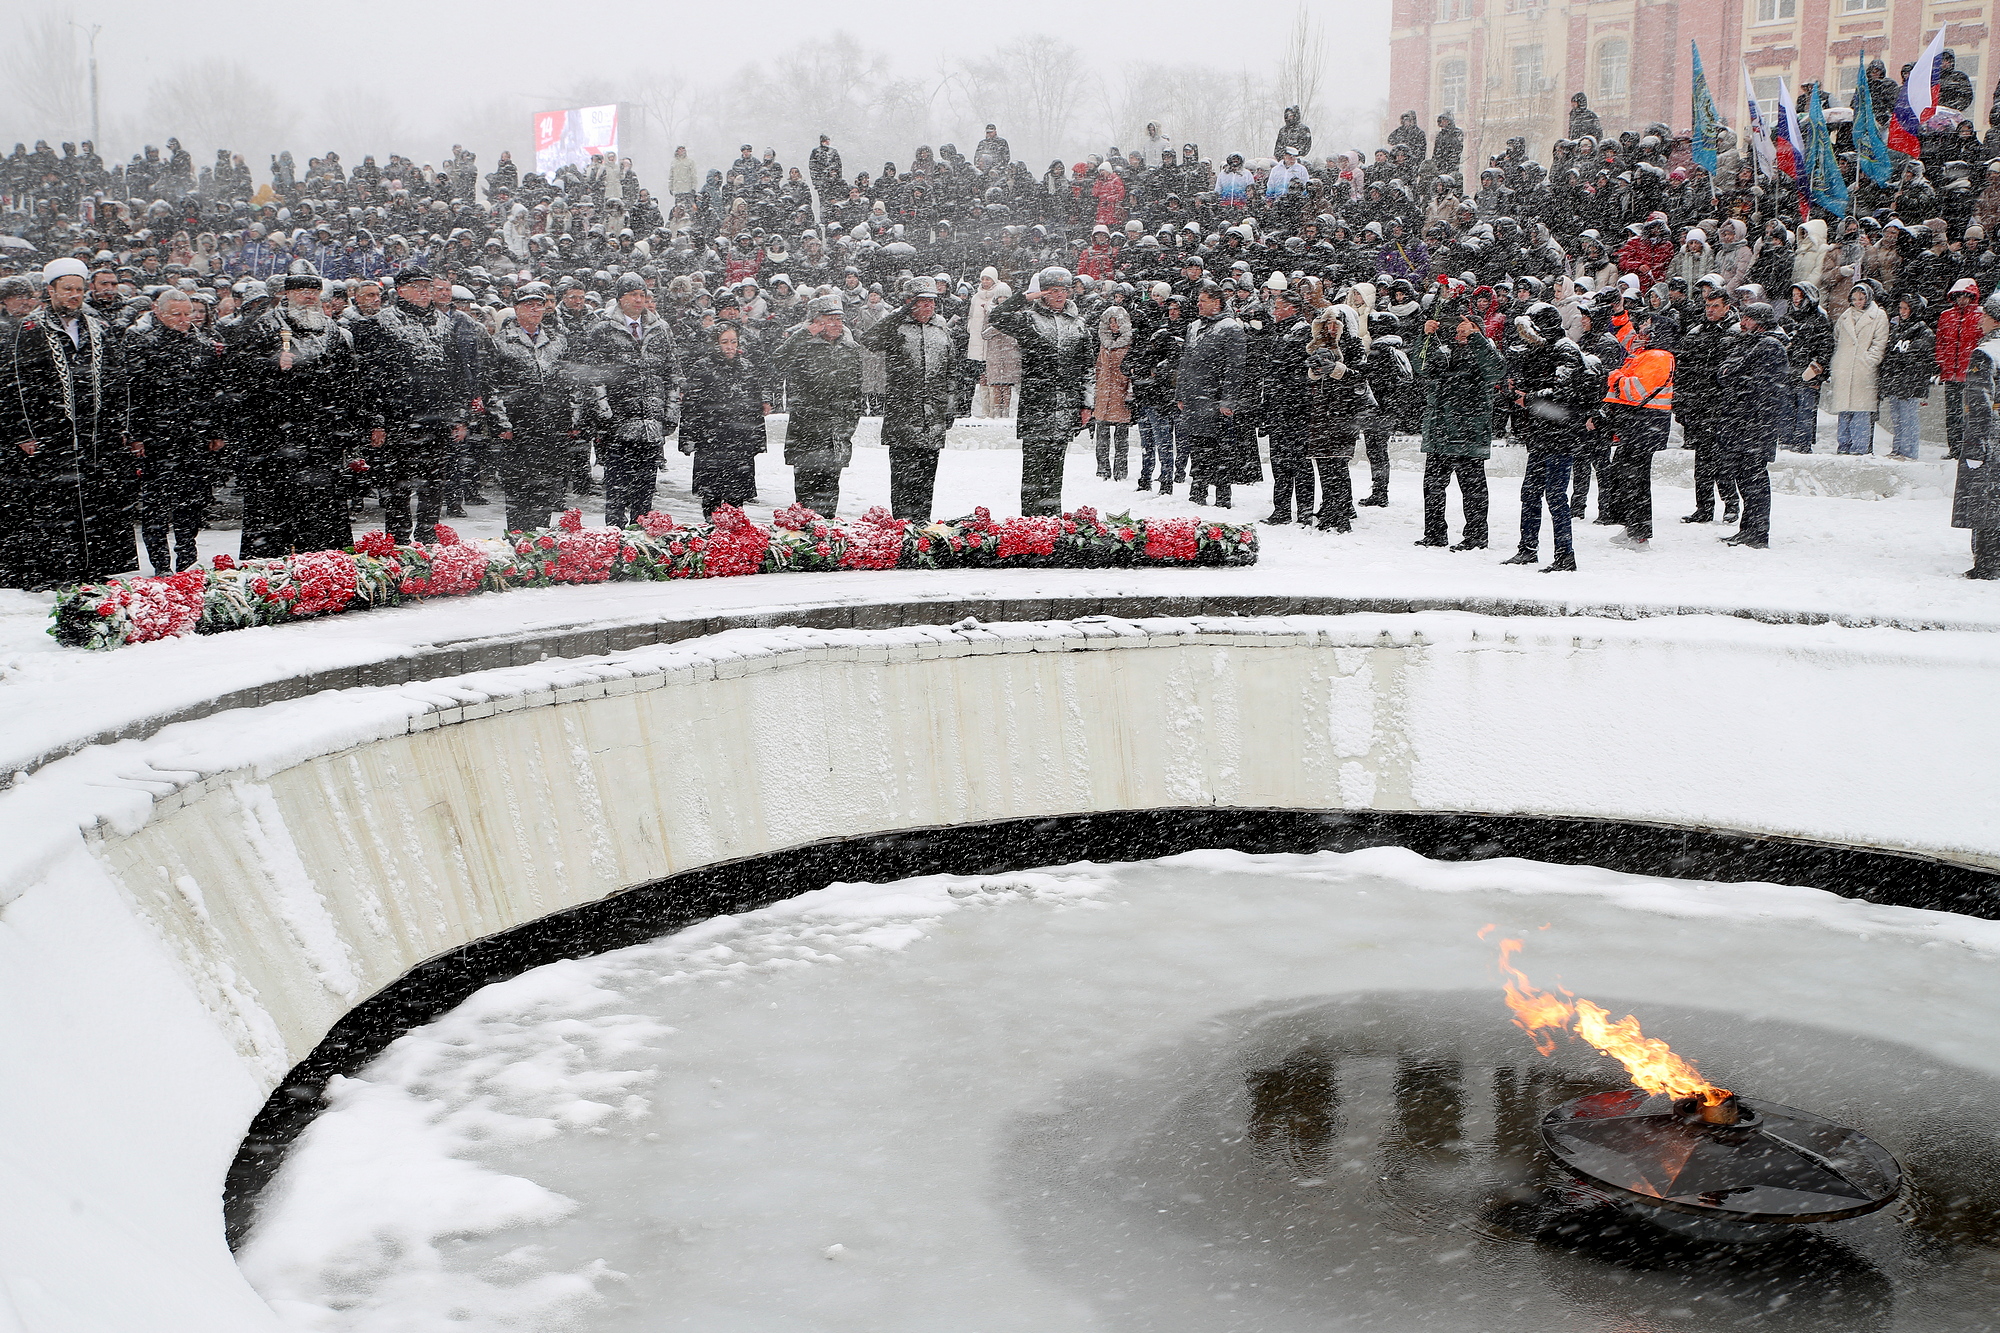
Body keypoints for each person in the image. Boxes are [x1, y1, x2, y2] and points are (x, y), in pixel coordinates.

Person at [0, 257, 135, 588]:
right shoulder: (27, 330)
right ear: (51, 291)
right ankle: (51, 569)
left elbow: (118, 379)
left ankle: (90, 565)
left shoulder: (98, 327)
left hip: (95, 432)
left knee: (94, 499)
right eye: (66, 290)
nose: (73, 296)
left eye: (78, 290)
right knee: (51, 502)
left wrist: (120, 425)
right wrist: (23, 431)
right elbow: (13, 384)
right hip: (49, 431)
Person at [228, 270, 361, 557]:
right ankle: (272, 564)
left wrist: (344, 421)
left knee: (321, 503)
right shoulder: (263, 326)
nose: (309, 296)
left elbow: (347, 378)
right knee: (274, 503)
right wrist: (270, 364)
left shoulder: (330, 328)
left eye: (314, 291)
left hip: (319, 432)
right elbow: (237, 374)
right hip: (275, 432)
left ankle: (322, 563)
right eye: (302, 291)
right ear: (287, 295)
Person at [354, 267, 470, 545]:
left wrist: (458, 416)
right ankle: (397, 541)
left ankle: (429, 535)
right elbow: (370, 378)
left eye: (427, 286)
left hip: (437, 418)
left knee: (434, 483)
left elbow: (456, 374)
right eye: (416, 286)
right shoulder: (379, 324)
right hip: (398, 417)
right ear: (400, 291)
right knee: (397, 485)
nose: (423, 292)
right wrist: (376, 420)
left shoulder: (445, 324)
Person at [122, 289, 225, 573]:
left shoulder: (202, 343)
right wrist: (136, 435)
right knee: (156, 503)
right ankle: (160, 563)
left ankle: (186, 560)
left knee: (191, 501)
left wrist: (216, 430)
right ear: (158, 313)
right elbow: (135, 393)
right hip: (158, 435)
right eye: (175, 315)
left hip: (194, 435)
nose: (182, 320)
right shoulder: (143, 342)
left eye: (187, 314)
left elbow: (213, 391)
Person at [987, 267, 1095, 516]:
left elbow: (1088, 367)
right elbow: (997, 317)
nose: (1059, 295)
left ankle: (1051, 524)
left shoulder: (1078, 325)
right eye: (1053, 290)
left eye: (1064, 290)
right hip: (1036, 406)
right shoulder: (1028, 320)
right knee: (1033, 473)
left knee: (1055, 473)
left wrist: (1087, 405)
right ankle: (1030, 526)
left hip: (1065, 409)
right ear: (1043, 292)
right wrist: (1026, 297)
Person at [578, 273, 682, 529]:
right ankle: (616, 541)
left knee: (645, 492)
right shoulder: (604, 330)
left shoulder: (660, 329)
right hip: (618, 426)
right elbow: (594, 377)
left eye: (643, 294)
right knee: (616, 491)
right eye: (633, 294)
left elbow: (673, 374)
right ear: (620, 298)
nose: (639, 300)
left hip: (651, 425)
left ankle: (641, 542)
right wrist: (606, 415)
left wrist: (670, 413)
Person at [1499, 302, 1596, 572]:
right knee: (1530, 493)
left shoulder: (1566, 349)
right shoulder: (1541, 349)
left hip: (1561, 435)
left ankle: (1565, 555)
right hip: (1541, 434)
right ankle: (1527, 548)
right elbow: (1537, 385)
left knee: (1555, 495)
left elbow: (1562, 390)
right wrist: (1518, 390)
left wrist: (1527, 398)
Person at [859, 276, 961, 519]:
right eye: (923, 302)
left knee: (926, 481)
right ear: (909, 303)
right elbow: (869, 339)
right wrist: (899, 314)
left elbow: (952, 373)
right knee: (903, 482)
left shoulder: (941, 330)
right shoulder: (896, 328)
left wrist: (950, 407)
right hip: (903, 418)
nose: (929, 306)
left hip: (933, 419)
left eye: (932, 302)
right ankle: (903, 528)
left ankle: (922, 529)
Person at [486, 282, 581, 533]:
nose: (535, 310)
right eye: (528, 305)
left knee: (545, 487)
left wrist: (572, 419)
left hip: (551, 426)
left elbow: (570, 382)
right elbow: (491, 386)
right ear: (516, 309)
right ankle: (518, 539)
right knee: (518, 488)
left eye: (539, 305)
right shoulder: (500, 342)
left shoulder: (557, 341)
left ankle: (540, 540)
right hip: (518, 427)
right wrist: (502, 423)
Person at [1413, 297, 1505, 550]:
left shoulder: (1486, 353)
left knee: (1473, 491)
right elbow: (1420, 367)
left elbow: (1495, 371)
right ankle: (1434, 534)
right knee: (1432, 489)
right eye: (1458, 330)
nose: (1460, 333)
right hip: (1440, 432)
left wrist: (1476, 338)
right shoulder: (1444, 354)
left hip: (1469, 435)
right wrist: (1427, 337)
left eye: (1466, 329)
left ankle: (1476, 538)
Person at [773, 295, 863, 516]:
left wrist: (848, 424)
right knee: (805, 499)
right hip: (806, 433)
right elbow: (776, 362)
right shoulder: (802, 346)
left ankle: (826, 541)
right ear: (815, 322)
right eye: (829, 319)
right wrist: (803, 334)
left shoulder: (850, 349)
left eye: (839, 319)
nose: (836, 324)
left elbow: (857, 394)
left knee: (829, 495)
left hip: (835, 434)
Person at [1713, 302, 1788, 548]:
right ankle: (1748, 529)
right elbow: (1722, 374)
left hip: (1756, 423)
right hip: (1743, 422)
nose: (1742, 323)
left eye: (1748, 318)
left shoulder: (1769, 345)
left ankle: (1757, 532)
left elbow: (1742, 379)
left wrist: (1733, 373)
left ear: (1761, 321)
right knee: (1745, 477)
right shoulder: (1749, 343)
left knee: (1754, 478)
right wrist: (1732, 373)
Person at [1600, 311, 1675, 550]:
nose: (1640, 332)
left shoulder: (1658, 356)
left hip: (1645, 428)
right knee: (1623, 476)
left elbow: (1635, 390)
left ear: (1655, 334)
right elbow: (1626, 336)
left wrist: (1615, 377)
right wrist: (1619, 315)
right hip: (1637, 426)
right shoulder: (1644, 353)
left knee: (1637, 481)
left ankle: (1640, 534)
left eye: (1645, 328)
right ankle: (1631, 526)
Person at [681, 324, 769, 518]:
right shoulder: (702, 367)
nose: (730, 347)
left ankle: (732, 541)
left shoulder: (746, 366)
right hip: (711, 440)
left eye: (733, 342)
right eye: (724, 342)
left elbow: (755, 407)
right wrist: (688, 437)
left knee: (736, 500)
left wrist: (757, 439)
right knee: (711, 497)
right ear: (715, 344)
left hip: (740, 442)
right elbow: (690, 406)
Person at [1175, 279, 1249, 508]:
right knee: (1197, 446)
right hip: (1194, 396)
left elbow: (1235, 366)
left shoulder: (1230, 327)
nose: (1198, 304)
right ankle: (1197, 491)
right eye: (1198, 300)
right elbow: (1185, 362)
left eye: (1203, 301)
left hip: (1216, 398)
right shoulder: (1193, 326)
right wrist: (1181, 393)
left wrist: (1228, 399)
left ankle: (1223, 495)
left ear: (1217, 302)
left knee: (1220, 449)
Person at [1302, 304, 1372, 531]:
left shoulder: (1353, 345)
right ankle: (1332, 505)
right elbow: (1310, 382)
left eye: (1336, 324)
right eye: (1328, 323)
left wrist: (1337, 370)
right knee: (1324, 461)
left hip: (1343, 412)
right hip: (1321, 411)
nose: (1331, 328)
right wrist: (1314, 371)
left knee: (1338, 463)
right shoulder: (1318, 345)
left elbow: (1362, 377)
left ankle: (1339, 511)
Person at [1675, 287, 1741, 525]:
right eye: (1708, 306)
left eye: (1715, 306)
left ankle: (1731, 504)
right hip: (1699, 406)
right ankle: (1703, 507)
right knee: (1702, 462)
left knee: (1724, 461)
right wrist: (1681, 403)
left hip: (1723, 407)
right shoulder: (1696, 331)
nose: (1710, 310)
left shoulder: (1736, 331)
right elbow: (1683, 371)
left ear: (1727, 306)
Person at [1954, 292, 2000, 577]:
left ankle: (1988, 562)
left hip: (1991, 437)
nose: (1980, 319)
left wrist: (1975, 442)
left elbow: (1980, 403)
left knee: (1985, 501)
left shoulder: (1986, 353)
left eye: (1984, 315)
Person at [1261, 286, 1315, 524]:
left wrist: (1284, 385)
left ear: (1291, 309)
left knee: (1299, 460)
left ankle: (1304, 509)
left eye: (1278, 307)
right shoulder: (1276, 331)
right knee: (1279, 459)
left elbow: (1296, 368)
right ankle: (1281, 508)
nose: (1274, 311)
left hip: (1296, 405)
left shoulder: (1302, 331)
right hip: (1277, 405)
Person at [1828, 283, 1889, 455]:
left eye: (1861, 298)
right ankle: (1844, 446)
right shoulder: (1845, 316)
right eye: (1854, 299)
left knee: (1861, 411)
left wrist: (1868, 361)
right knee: (1844, 410)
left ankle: (1859, 448)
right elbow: (1837, 337)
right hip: (1845, 368)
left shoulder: (1878, 316)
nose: (1858, 302)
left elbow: (1879, 343)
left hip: (1863, 370)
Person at [1879, 294, 1936, 461]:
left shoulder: (1923, 332)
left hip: (1910, 383)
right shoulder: (1897, 329)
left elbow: (1921, 358)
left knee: (1908, 418)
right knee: (1897, 419)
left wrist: (1908, 371)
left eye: (1906, 308)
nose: (1902, 312)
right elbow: (1890, 355)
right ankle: (1898, 449)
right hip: (1896, 381)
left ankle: (1909, 451)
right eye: (1900, 308)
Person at [1936, 278, 1982, 459]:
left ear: (1972, 297)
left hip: (1970, 374)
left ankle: (1967, 449)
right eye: (1958, 296)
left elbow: (1980, 344)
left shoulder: (1979, 316)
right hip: (1950, 373)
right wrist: (1942, 365)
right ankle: (1954, 448)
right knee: (1953, 414)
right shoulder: (1946, 316)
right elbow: (1940, 343)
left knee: (1969, 414)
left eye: (1965, 296)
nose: (1962, 300)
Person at [1092, 300, 1133, 480]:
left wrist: (1129, 390)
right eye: (1111, 322)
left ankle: (1120, 471)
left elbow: (1132, 371)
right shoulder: (1103, 345)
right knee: (1102, 435)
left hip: (1121, 394)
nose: (1114, 325)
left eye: (1117, 322)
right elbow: (1098, 369)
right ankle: (1102, 469)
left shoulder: (1129, 345)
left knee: (1121, 437)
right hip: (1103, 395)